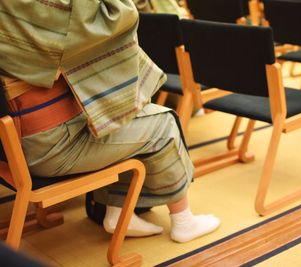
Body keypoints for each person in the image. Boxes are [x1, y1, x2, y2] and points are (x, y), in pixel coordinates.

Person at [0, 0, 219, 243]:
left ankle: (117, 212)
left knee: (116, 115)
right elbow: (117, 15)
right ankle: (184, 222)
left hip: (12, 144)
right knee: (163, 124)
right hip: (47, 147)